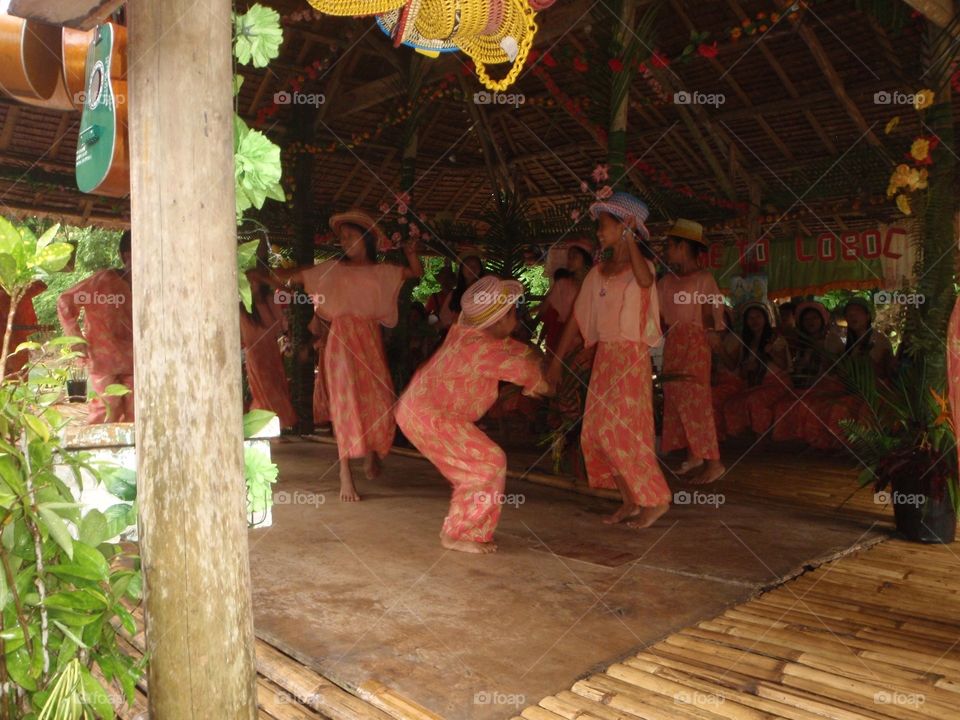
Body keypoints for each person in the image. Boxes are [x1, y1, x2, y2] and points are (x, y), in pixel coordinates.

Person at [273, 210, 422, 501]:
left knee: (378, 399)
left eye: (350, 236)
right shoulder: (333, 269)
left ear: (367, 240)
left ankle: (371, 450)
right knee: (345, 401)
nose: (344, 242)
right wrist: (269, 274)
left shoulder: (382, 271)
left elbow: (415, 273)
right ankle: (345, 473)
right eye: (341, 238)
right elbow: (300, 276)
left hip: (369, 340)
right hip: (340, 342)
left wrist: (410, 252)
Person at [396, 276, 550, 554]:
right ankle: (457, 533)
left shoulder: (467, 334)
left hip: (418, 410)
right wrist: (540, 380)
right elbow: (523, 370)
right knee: (487, 463)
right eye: (513, 313)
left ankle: (466, 528)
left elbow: (508, 348)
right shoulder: (479, 348)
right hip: (430, 416)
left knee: (480, 465)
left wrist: (529, 352)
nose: (517, 317)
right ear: (500, 321)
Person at [546, 192, 670, 528]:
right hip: (605, 360)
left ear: (625, 228)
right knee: (597, 432)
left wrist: (631, 240)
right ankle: (631, 499)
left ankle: (655, 499)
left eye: (604, 226)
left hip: (630, 357)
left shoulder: (644, 270)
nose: (599, 232)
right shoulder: (597, 273)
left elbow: (645, 283)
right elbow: (577, 319)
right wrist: (556, 361)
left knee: (624, 431)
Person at [657, 219, 725, 484]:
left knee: (696, 400)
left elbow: (710, 308)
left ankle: (714, 463)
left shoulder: (703, 277)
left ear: (683, 246)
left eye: (670, 245)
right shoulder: (666, 280)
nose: (666, 250)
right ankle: (695, 454)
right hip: (675, 340)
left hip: (695, 341)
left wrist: (710, 333)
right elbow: (658, 313)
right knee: (677, 397)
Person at [58, 231, 134, 424]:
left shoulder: (153, 283)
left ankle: (132, 454)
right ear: (127, 255)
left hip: (137, 361)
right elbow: (65, 301)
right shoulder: (103, 281)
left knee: (137, 411)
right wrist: (76, 340)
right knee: (107, 410)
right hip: (103, 360)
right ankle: (96, 452)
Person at [239, 240, 297, 430]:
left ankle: (276, 425)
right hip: (255, 355)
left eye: (255, 281)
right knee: (263, 391)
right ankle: (265, 426)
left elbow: (292, 294)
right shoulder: (241, 308)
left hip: (272, 353)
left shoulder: (270, 300)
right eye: (249, 281)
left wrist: (266, 279)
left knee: (277, 389)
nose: (252, 284)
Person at [772, 301, 846, 447]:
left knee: (807, 404)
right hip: (806, 385)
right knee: (783, 404)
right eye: (807, 319)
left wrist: (822, 353)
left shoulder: (832, 339)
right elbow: (794, 367)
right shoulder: (800, 341)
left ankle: (817, 441)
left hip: (829, 385)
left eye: (814, 318)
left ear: (822, 319)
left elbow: (837, 369)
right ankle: (793, 442)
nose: (811, 322)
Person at [722, 302, 792, 438]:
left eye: (758, 317)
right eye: (750, 318)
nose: (754, 321)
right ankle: (739, 438)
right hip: (756, 385)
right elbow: (742, 373)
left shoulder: (775, 339)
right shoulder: (746, 342)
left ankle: (761, 437)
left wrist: (771, 352)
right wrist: (747, 369)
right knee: (731, 403)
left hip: (778, 384)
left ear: (766, 319)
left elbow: (783, 365)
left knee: (754, 400)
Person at [536, 239, 593, 357]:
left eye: (574, 256)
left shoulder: (594, 284)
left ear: (585, 258)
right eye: (569, 257)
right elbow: (545, 308)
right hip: (560, 337)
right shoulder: (562, 284)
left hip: (585, 341)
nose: (569, 260)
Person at [711, 306, 744, 442]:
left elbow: (732, 366)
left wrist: (719, 348)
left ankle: (715, 437)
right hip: (716, 381)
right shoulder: (708, 338)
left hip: (733, 382)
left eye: (721, 317)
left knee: (712, 398)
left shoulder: (735, 338)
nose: (718, 321)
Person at [0, 281, 46, 375]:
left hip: (15, 336)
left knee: (16, 374)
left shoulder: (13, 288)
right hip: (11, 336)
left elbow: (41, 285)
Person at [424, 265, 457, 331]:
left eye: (448, 279)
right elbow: (426, 315)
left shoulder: (457, 295)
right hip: (440, 331)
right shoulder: (434, 297)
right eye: (443, 279)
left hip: (455, 330)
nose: (446, 282)